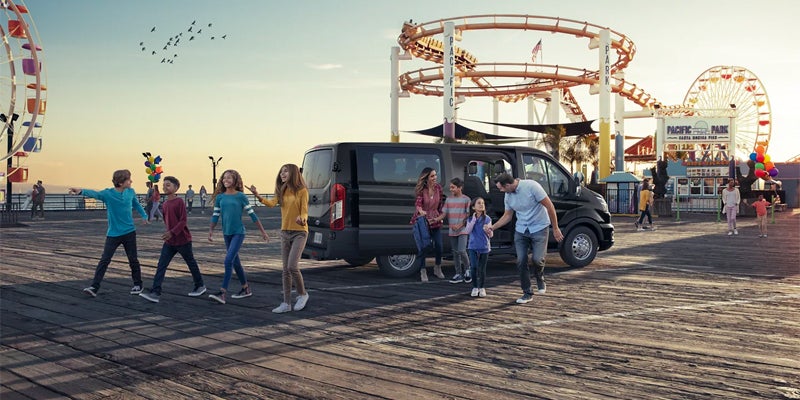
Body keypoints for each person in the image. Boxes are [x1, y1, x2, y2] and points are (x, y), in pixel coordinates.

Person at [69, 169, 149, 297]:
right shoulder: (108, 194)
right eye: (129, 179)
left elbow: (137, 205)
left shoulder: (130, 192)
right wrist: (80, 191)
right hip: (113, 234)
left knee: (133, 260)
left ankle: (138, 284)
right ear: (121, 182)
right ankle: (94, 287)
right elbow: (95, 194)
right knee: (105, 260)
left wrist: (144, 215)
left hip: (129, 232)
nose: (131, 181)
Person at [489, 172, 564, 304]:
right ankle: (527, 292)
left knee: (537, 259)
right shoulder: (508, 196)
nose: (500, 191)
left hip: (539, 228)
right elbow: (508, 215)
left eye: (501, 188)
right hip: (521, 230)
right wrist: (492, 227)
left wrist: (556, 228)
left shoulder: (531, 186)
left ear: (508, 185)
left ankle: (540, 277)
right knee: (521, 260)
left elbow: (550, 206)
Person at [248, 163, 311, 313]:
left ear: (294, 174)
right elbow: (271, 203)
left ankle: (303, 294)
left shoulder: (302, 191)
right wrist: (257, 195)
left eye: (286, 172)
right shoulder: (282, 190)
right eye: (281, 172)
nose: (282, 174)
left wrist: (302, 219)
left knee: (292, 266)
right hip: (285, 232)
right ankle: (286, 303)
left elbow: (304, 211)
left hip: (299, 232)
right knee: (285, 270)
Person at [139, 176, 206, 303]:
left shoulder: (179, 202)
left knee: (191, 263)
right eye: (164, 185)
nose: (165, 187)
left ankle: (200, 285)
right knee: (161, 265)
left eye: (168, 185)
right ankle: (155, 292)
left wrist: (172, 232)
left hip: (183, 240)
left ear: (176, 188)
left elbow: (183, 221)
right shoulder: (164, 204)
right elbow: (167, 221)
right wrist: (168, 233)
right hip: (170, 241)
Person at [208, 169, 268, 304]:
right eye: (224, 178)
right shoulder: (220, 197)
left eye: (229, 178)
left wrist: (263, 232)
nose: (226, 180)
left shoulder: (241, 196)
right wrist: (211, 231)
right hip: (226, 233)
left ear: (235, 180)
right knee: (236, 262)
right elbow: (215, 215)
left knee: (228, 260)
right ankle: (246, 288)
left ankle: (223, 293)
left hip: (238, 233)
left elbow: (252, 215)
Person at [412, 167, 445, 282]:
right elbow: (418, 204)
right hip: (423, 221)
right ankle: (423, 270)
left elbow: (441, 204)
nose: (435, 178)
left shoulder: (438, 188)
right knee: (423, 247)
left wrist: (439, 217)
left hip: (435, 220)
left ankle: (437, 267)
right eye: (432, 176)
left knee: (439, 246)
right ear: (426, 178)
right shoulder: (422, 190)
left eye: (435, 175)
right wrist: (421, 211)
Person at [441, 177, 471, 284]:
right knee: (455, 253)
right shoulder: (448, 199)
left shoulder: (466, 199)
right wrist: (435, 219)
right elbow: (444, 213)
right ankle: (458, 273)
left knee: (462, 250)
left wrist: (459, 225)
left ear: (460, 188)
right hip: (452, 230)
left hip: (462, 229)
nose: (451, 189)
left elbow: (468, 215)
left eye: (453, 187)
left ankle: (468, 270)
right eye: (450, 187)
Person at [464, 197, 493, 297]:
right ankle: (475, 287)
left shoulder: (487, 219)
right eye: (479, 203)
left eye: (483, 203)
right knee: (474, 267)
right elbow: (467, 231)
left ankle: (482, 287)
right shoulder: (470, 219)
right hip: (473, 246)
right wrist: (473, 220)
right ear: (473, 207)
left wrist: (488, 230)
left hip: (484, 246)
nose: (481, 205)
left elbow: (491, 234)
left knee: (482, 268)